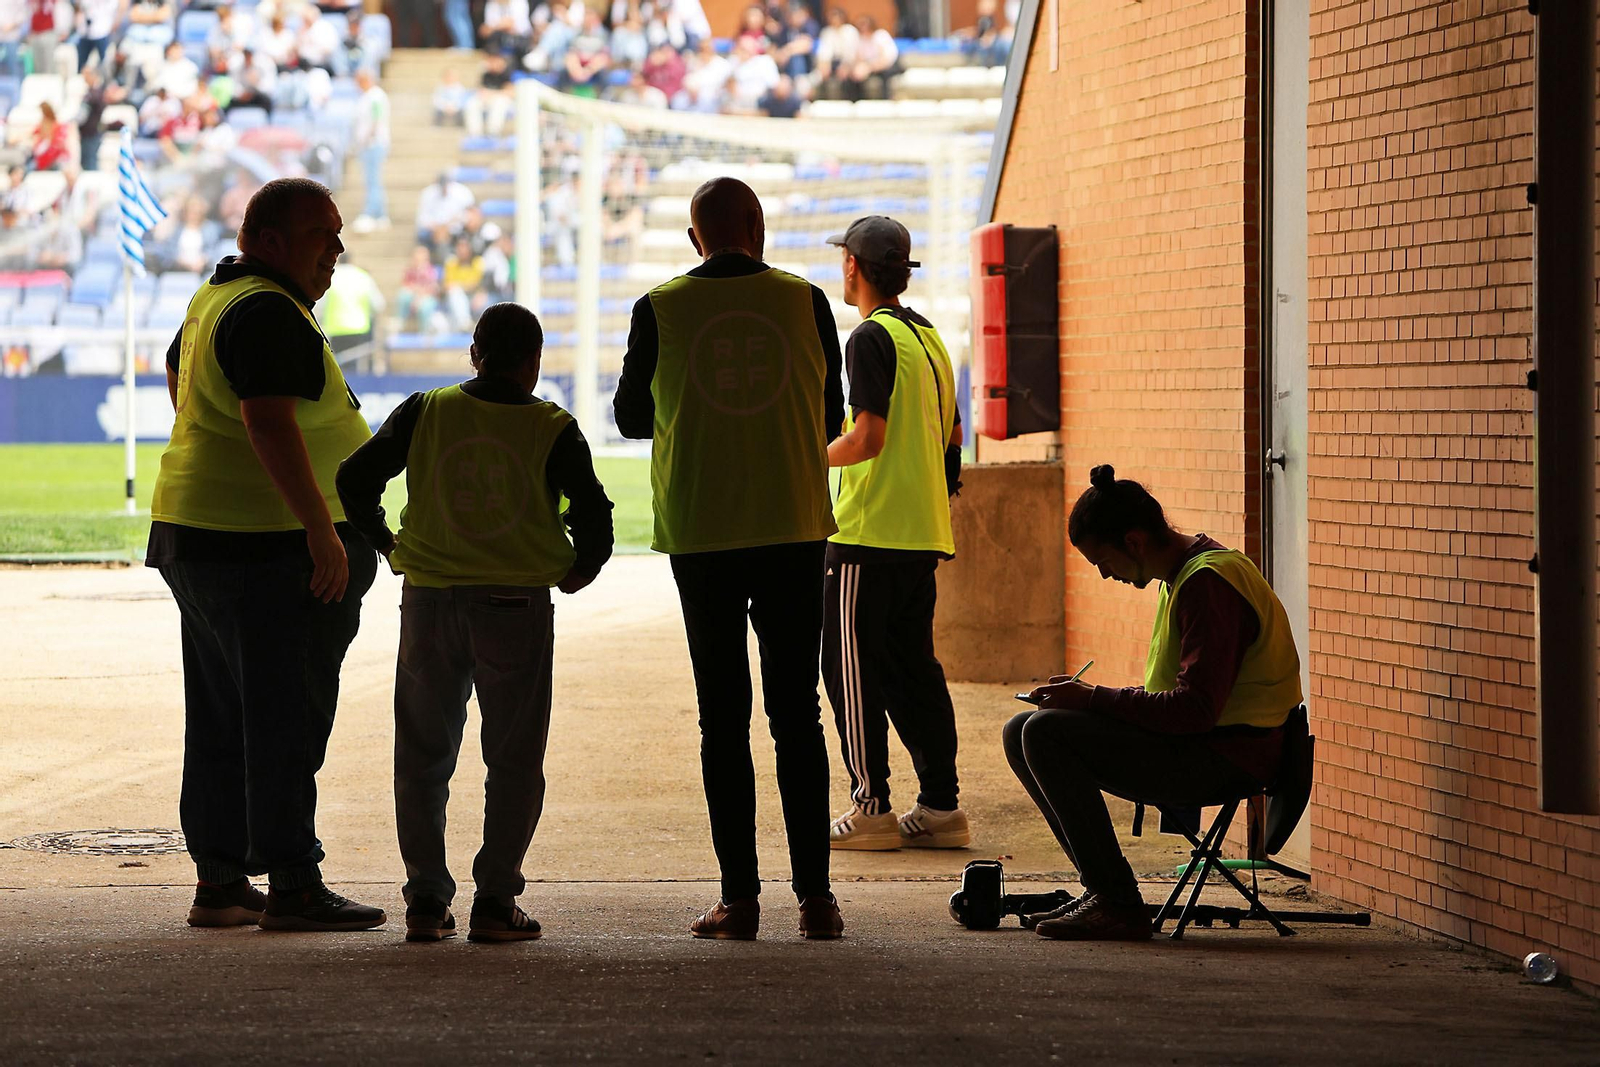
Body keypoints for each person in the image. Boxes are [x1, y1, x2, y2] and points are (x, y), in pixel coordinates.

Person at [147, 177, 385, 933]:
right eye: (323, 235)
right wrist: (319, 527)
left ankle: (220, 880)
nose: (337, 250)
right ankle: (292, 881)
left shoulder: (218, 297)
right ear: (272, 241)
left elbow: (177, 373)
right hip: (265, 545)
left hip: (203, 531)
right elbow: (268, 422)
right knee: (285, 713)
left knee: (222, 712)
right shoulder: (267, 310)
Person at [612, 177, 846, 942]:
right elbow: (832, 415)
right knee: (798, 714)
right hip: (793, 526)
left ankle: (739, 900)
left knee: (723, 718)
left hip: (702, 531)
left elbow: (630, 416)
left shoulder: (660, 306)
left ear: (695, 239)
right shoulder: (807, 301)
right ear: (758, 225)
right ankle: (816, 900)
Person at [336, 302, 614, 944]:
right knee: (514, 759)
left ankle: (426, 900)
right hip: (516, 603)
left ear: (474, 354)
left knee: (422, 757)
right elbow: (594, 513)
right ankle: (495, 899)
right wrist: (580, 567)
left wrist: (387, 542)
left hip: (430, 599)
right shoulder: (553, 426)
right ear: (534, 362)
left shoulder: (426, 410)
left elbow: (354, 479)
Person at [1004, 466, 1304, 940]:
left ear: (1134, 541)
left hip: (1230, 756)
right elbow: (1180, 695)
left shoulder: (1208, 585)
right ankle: (1103, 889)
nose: (1105, 575)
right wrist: (1086, 700)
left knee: (1043, 733)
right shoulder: (1185, 576)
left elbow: (1194, 710)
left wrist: (1093, 699)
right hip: (1206, 743)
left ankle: (1117, 902)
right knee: (1019, 730)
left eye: (1104, 561)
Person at [820, 216, 969, 852]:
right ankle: (940, 806)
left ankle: (871, 807)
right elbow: (953, 435)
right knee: (914, 673)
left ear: (853, 266)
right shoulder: (928, 337)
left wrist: (806, 460)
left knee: (850, 671)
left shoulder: (869, 337)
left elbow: (868, 438)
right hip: (922, 531)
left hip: (867, 533)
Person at [318, 251, 384, 365]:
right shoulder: (363, 277)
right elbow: (378, 304)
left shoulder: (331, 277)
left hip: (335, 329)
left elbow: (320, 304)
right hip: (359, 328)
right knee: (355, 366)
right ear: (351, 261)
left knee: (339, 365)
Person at [352, 69, 390, 232]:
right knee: (372, 180)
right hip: (367, 144)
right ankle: (381, 215)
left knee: (372, 180)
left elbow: (377, 118)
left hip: (373, 144)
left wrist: (368, 138)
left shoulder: (376, 96)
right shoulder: (366, 96)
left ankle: (370, 213)